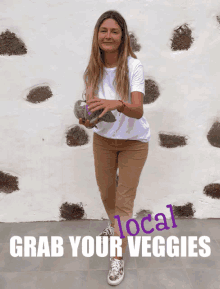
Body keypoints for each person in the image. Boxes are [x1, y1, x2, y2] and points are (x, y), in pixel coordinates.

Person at [79, 10, 150, 286]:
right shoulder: (92, 70)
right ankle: (115, 226)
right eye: (104, 30)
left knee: (124, 200)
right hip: (104, 141)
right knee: (106, 190)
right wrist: (87, 119)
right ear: (97, 35)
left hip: (134, 142)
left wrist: (117, 103)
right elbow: (93, 114)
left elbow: (137, 110)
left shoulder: (133, 66)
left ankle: (117, 257)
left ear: (123, 37)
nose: (108, 36)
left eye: (114, 31)